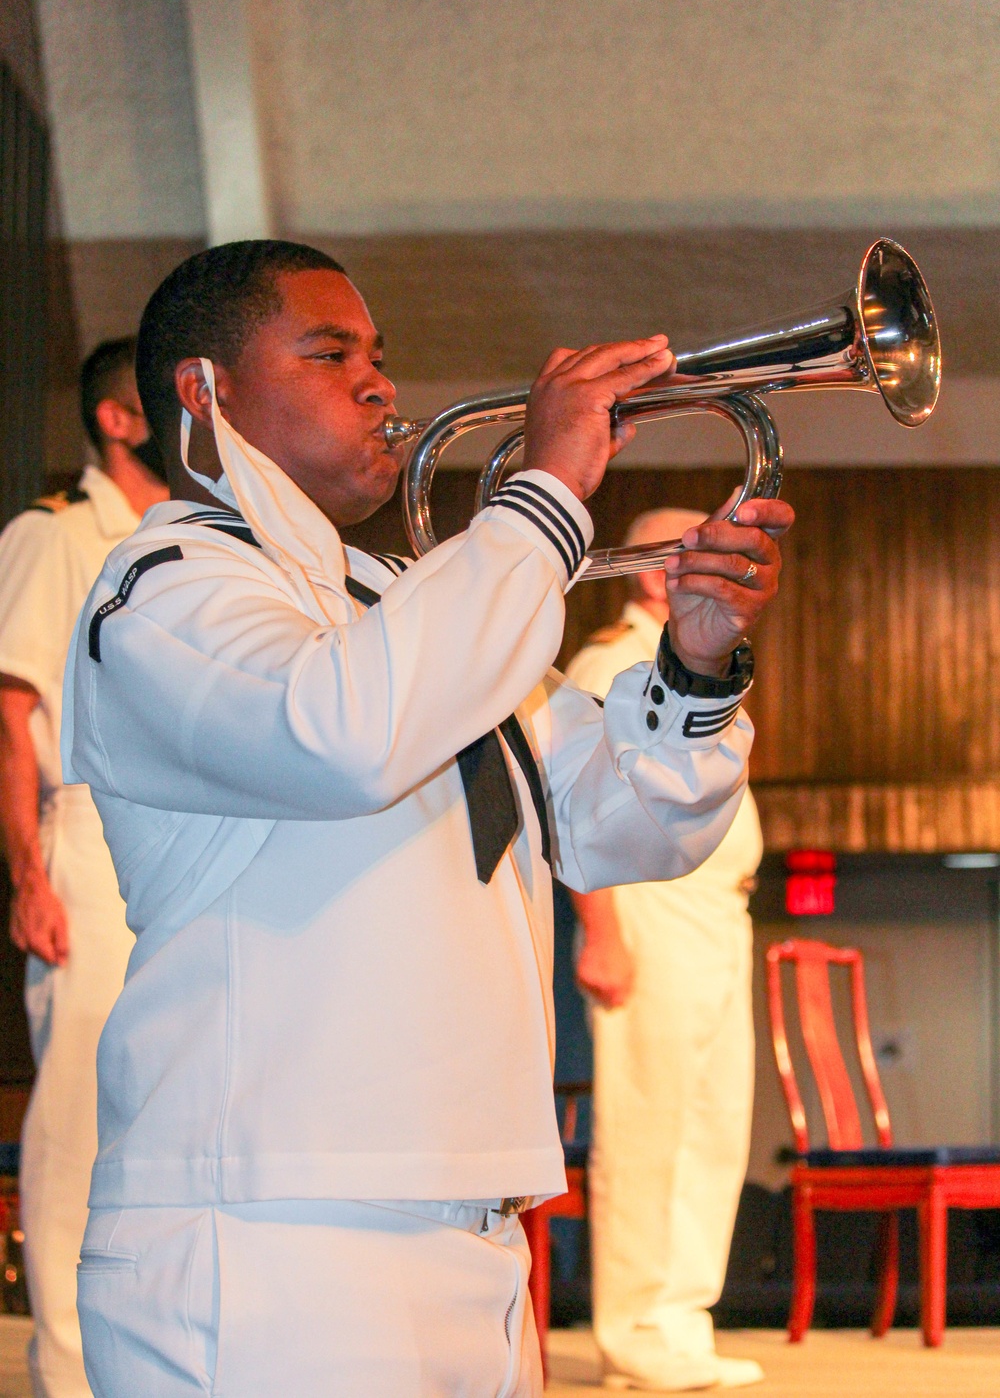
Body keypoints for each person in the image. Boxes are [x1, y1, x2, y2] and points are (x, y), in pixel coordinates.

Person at [61, 240, 793, 1397]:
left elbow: (621, 826)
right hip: (267, 1226)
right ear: (206, 393)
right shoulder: (161, 587)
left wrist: (697, 663)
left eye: (380, 356)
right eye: (330, 351)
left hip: (465, 1214)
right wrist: (542, 493)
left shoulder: (401, 603)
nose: (379, 385)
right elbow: (342, 732)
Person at [0, 337, 168, 1398]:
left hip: (181, 832)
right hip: (90, 835)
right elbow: (11, 709)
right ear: (117, 416)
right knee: (79, 1107)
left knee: (163, 1096)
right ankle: (67, 1366)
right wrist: (29, 871)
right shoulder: (54, 533)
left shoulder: (185, 536)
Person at [568, 508, 764, 1392]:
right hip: (652, 909)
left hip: (717, 913)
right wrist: (600, 932)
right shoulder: (613, 659)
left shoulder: (702, 658)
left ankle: (681, 1318)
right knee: (649, 1122)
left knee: (713, 1122)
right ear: (658, 571)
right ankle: (633, 1331)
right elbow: (579, 812)